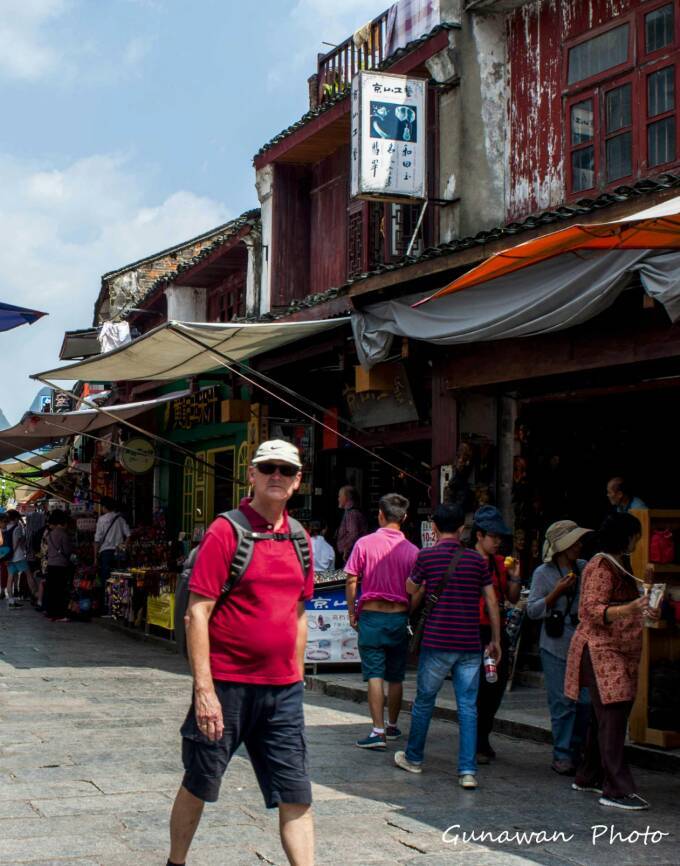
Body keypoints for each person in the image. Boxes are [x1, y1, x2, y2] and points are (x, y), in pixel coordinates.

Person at [168, 439, 315, 866]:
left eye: (286, 470)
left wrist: (297, 675)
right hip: (227, 687)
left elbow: (299, 613)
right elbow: (198, 613)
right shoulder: (226, 531)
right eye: (268, 468)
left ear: (297, 481)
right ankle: (176, 861)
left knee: (296, 793)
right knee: (199, 781)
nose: (276, 476)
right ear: (251, 475)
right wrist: (204, 690)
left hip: (283, 692)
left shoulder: (300, 537)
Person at [395, 504, 501, 790]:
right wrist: (496, 639)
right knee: (468, 706)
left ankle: (414, 757)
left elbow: (410, 588)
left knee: (424, 701)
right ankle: (467, 770)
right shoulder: (476, 561)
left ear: (434, 528)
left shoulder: (426, 557)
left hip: (437, 641)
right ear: (463, 529)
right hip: (469, 643)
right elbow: (492, 601)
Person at [565, 513, 658, 811]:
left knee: (602, 717)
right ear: (625, 537)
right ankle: (616, 788)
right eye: (635, 537)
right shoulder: (601, 565)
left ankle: (588, 775)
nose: (637, 542)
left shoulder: (621, 564)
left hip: (617, 650)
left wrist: (642, 607)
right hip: (601, 650)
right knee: (613, 715)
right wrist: (631, 608)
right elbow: (592, 610)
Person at [344, 493, 418, 749]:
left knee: (374, 673)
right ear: (404, 517)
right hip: (399, 616)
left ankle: (377, 731)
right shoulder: (413, 551)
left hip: (372, 616)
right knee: (396, 676)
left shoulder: (364, 544)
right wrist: (409, 608)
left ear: (380, 515)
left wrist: (352, 611)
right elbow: (419, 587)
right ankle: (393, 726)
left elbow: (351, 579)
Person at [527, 520, 591, 775]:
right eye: (574, 542)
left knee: (585, 701)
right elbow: (533, 610)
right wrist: (556, 593)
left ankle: (578, 750)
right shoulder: (543, 573)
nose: (579, 546)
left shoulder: (584, 568)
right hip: (555, 644)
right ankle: (562, 754)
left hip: (581, 641)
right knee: (562, 702)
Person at [472, 505, 521, 763]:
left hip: (496, 631)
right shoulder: (468, 561)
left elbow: (511, 598)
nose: (497, 542)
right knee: (480, 687)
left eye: (500, 537)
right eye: (493, 536)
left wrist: (515, 578)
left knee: (495, 685)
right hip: (474, 631)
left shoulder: (500, 562)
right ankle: (477, 741)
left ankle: (483, 735)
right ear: (479, 535)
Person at [94, 496, 130, 592]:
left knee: (106, 579)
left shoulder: (101, 519)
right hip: (119, 552)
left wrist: (95, 558)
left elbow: (97, 540)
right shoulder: (120, 519)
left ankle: (107, 598)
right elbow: (128, 535)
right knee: (118, 578)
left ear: (104, 507)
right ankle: (118, 597)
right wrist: (123, 547)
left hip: (105, 552)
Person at [43, 509, 73, 622]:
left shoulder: (50, 534)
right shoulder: (63, 534)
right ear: (64, 523)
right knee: (60, 590)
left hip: (51, 564)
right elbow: (67, 550)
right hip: (61, 565)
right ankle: (60, 613)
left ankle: (51, 612)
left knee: (52, 590)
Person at [4, 510, 30, 610]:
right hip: (18, 556)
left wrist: (7, 556)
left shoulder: (5, 527)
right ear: (15, 518)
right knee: (29, 575)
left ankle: (11, 602)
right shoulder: (17, 527)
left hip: (8, 557)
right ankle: (37, 597)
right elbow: (17, 544)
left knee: (10, 578)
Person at [336, 485, 368, 563]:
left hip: (350, 554)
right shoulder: (352, 511)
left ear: (347, 497)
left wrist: (346, 549)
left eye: (340, 496)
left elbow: (353, 534)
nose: (338, 499)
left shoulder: (351, 513)